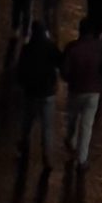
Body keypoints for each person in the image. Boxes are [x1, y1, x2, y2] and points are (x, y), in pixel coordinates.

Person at [16, 21, 63, 172]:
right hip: (47, 92)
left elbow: (20, 70)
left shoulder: (27, 48)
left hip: (31, 92)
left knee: (27, 121)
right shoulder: (50, 47)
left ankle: (23, 144)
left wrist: (23, 85)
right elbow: (61, 63)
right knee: (47, 127)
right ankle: (47, 157)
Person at [62, 17, 102, 170]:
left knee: (72, 119)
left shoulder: (72, 48)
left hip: (76, 90)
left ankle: (71, 140)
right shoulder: (100, 48)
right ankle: (82, 159)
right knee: (87, 125)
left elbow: (65, 71)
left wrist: (70, 79)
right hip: (94, 91)